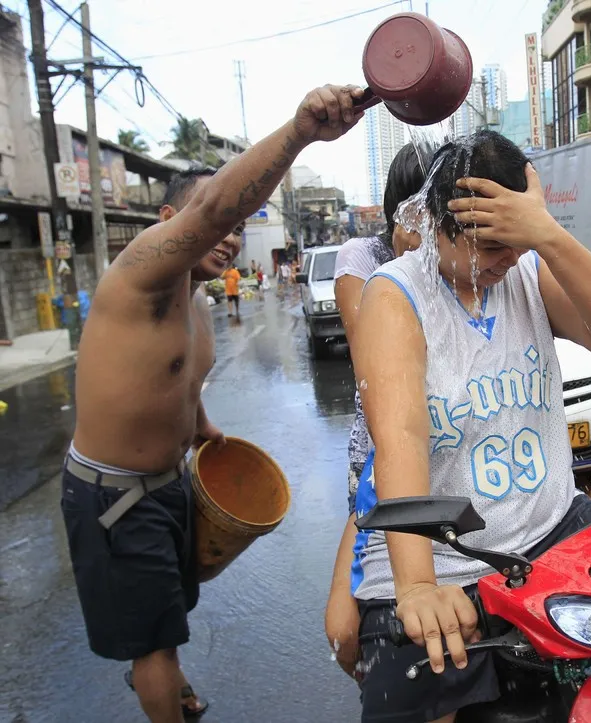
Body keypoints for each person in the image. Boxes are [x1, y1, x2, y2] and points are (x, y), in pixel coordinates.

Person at [61, 83, 365, 723]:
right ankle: (160, 682)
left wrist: (202, 429)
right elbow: (220, 205)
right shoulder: (142, 274)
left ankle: (163, 675)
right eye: (217, 223)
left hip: (168, 483)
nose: (230, 238)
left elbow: (180, 382)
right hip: (115, 494)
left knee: (171, 608)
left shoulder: (196, 304)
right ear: (173, 224)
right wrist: (300, 129)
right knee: (155, 643)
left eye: (235, 229)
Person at [348, 131, 591, 722]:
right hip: (445, 551)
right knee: (409, 689)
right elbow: (400, 441)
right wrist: (415, 588)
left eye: (513, 243)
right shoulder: (395, 296)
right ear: (438, 224)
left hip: (549, 526)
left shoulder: (529, 269)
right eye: (487, 247)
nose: (503, 262)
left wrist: (547, 235)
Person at [325, 143, 425, 679]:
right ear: (394, 209)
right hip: (378, 451)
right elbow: (373, 363)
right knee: (350, 622)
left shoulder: (458, 255)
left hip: (447, 446)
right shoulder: (362, 257)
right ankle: (373, 677)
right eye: (413, 210)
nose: (423, 225)